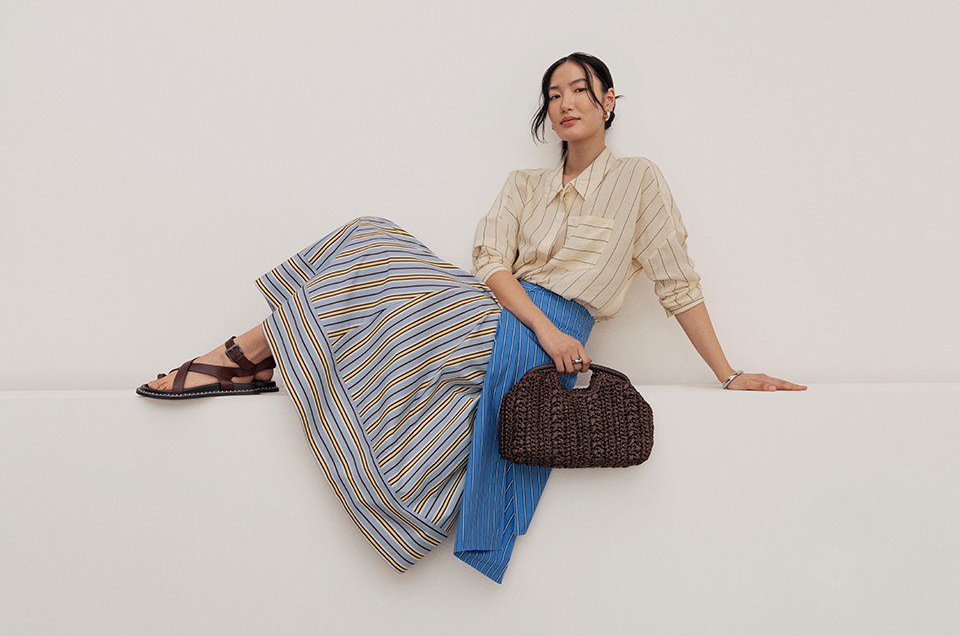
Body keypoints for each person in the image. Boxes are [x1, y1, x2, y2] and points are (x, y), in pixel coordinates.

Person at [137, 52, 806, 583]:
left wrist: (729, 373)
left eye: (579, 89)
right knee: (371, 235)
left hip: (549, 332)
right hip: (503, 313)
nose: (565, 102)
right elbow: (490, 261)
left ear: (608, 100)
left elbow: (675, 280)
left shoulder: (638, 180)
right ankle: (254, 354)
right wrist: (540, 327)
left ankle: (241, 357)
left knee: (376, 257)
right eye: (553, 94)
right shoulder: (525, 185)